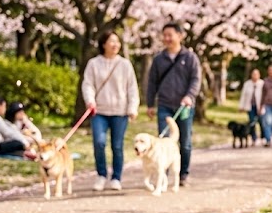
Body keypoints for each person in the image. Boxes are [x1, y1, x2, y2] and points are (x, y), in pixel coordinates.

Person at [83, 30, 139, 191]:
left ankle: (116, 177)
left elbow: (132, 88)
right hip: (99, 111)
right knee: (99, 143)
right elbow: (88, 84)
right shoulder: (93, 63)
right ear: (103, 44)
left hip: (120, 112)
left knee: (117, 146)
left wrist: (132, 108)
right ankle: (101, 174)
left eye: (117, 41)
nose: (116, 45)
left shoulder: (125, 64)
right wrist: (90, 101)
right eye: (112, 41)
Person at [146, 22, 201, 185]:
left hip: (184, 106)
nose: (167, 38)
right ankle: (163, 174)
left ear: (180, 35)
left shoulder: (190, 57)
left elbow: (196, 79)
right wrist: (150, 104)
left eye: (170, 35)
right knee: (163, 141)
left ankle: (183, 174)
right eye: (165, 35)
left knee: (184, 141)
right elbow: (152, 83)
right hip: (164, 104)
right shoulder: (158, 59)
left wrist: (190, 96)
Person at [238, 67, 264, 146]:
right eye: (253, 74)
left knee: (261, 122)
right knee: (252, 123)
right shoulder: (247, 84)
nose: (255, 76)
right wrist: (241, 106)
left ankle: (263, 138)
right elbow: (243, 95)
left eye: (256, 74)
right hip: (250, 106)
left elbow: (265, 96)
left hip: (260, 105)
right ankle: (254, 138)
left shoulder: (262, 83)